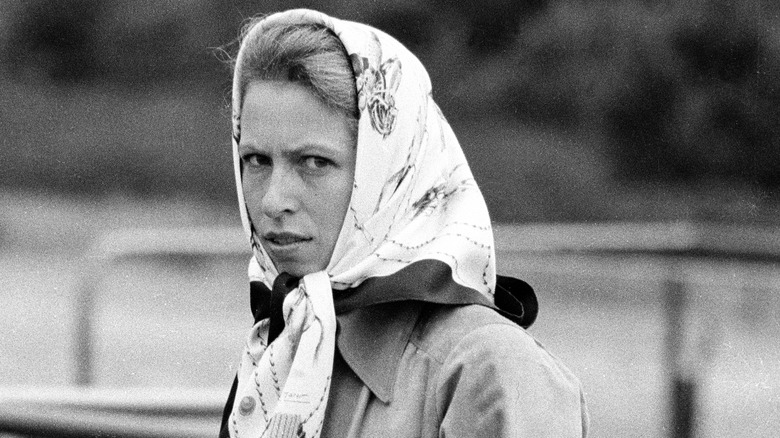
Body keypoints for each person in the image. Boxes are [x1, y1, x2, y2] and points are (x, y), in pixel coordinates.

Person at [220, 9, 588, 438]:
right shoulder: (286, 344)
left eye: (314, 162)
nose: (273, 201)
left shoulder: (488, 369)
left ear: (387, 174)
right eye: (256, 161)